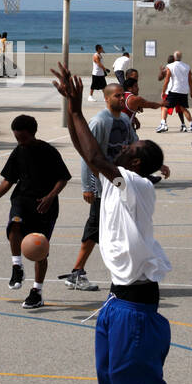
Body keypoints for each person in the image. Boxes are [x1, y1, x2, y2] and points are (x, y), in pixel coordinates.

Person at [51, 61, 171, 384]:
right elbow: (86, 151)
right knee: (111, 378)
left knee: (127, 376)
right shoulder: (119, 180)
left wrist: (77, 107)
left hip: (136, 304)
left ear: (137, 165)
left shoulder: (135, 184)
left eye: (129, 151)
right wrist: (71, 109)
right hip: (118, 299)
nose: (123, 149)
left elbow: (94, 154)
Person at [0, 114, 71, 308]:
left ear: (32, 133)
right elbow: (8, 180)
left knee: (39, 250)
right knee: (15, 224)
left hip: (45, 206)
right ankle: (17, 266)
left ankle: (37, 291)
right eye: (17, 138)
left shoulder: (48, 151)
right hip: (22, 200)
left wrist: (51, 196)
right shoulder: (18, 151)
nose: (20, 141)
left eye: (23, 137)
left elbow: (63, 178)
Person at [62, 83, 134, 292]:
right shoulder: (100, 122)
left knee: (118, 228)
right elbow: (87, 156)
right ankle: (77, 273)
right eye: (118, 96)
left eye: (123, 95)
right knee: (95, 228)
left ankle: (123, 274)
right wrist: (88, 187)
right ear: (107, 98)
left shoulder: (125, 120)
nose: (122, 99)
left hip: (120, 184)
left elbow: (134, 145)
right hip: (103, 186)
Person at [156, 51, 192, 133]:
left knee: (165, 107)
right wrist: (191, 91)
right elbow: (190, 80)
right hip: (183, 91)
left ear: (174, 58)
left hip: (173, 90)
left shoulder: (170, 66)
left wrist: (163, 91)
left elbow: (166, 80)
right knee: (183, 109)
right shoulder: (187, 66)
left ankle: (163, 124)